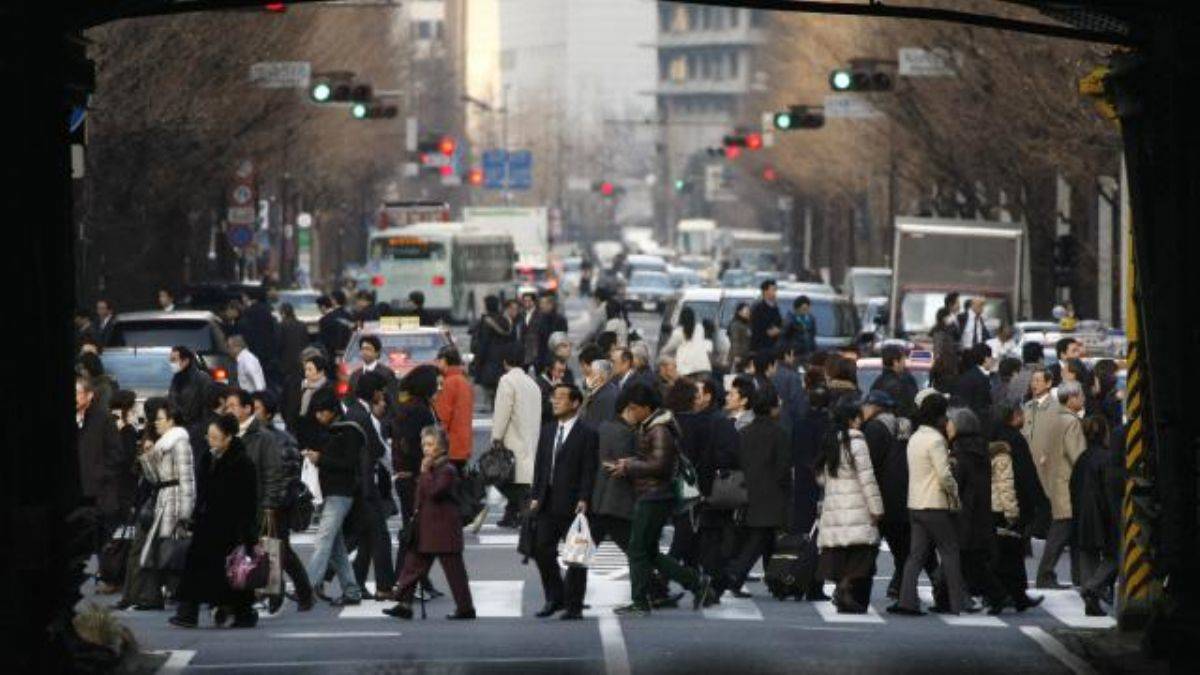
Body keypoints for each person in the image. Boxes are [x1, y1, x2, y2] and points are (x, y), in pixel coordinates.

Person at [605, 382, 713, 615]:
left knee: (637, 550)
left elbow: (660, 464)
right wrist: (628, 464)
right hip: (653, 494)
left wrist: (628, 466)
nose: (631, 413)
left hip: (654, 496)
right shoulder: (652, 425)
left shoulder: (659, 429)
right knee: (649, 552)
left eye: (634, 408)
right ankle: (697, 583)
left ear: (646, 407)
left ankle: (640, 602)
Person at [169, 414, 259, 628]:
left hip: (230, 527)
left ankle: (242, 613)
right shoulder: (208, 458)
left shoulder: (242, 462)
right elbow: (202, 491)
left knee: (233, 574)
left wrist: (247, 533)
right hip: (206, 523)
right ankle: (187, 613)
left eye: (215, 437)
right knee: (196, 569)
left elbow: (248, 500)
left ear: (228, 437)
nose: (210, 440)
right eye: (209, 436)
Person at [382, 427, 478, 620]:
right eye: (424, 444)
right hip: (427, 529)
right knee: (412, 566)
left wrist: (425, 472)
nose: (426, 449)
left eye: (430, 444)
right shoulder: (433, 468)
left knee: (454, 572)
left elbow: (435, 492)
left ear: (441, 447)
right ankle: (405, 604)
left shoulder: (447, 470)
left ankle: (465, 608)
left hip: (443, 529)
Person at [889, 389, 969, 616]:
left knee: (916, 555)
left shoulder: (914, 438)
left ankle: (907, 600)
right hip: (935, 503)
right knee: (950, 551)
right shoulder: (936, 440)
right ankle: (956, 602)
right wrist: (954, 494)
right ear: (939, 415)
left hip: (915, 503)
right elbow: (943, 474)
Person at [712, 381, 791, 601]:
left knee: (764, 539)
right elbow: (783, 469)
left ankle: (775, 582)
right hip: (772, 495)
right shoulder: (780, 434)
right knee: (759, 539)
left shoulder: (744, 432)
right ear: (773, 407)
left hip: (747, 492)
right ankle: (736, 576)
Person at [529, 383, 598, 620]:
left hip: (572, 503)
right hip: (547, 501)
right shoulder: (547, 430)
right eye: (553, 397)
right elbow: (540, 466)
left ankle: (574, 605)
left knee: (576, 556)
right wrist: (535, 495)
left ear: (575, 403)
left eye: (560, 397)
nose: (554, 401)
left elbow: (590, 468)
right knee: (541, 550)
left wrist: (584, 497)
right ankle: (554, 596)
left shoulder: (587, 433)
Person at [816, 399, 884, 613]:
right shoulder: (857, 442)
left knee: (840, 554)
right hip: (857, 506)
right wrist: (876, 508)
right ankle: (845, 587)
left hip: (835, 507)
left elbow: (821, 478)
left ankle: (841, 587)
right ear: (852, 420)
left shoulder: (830, 441)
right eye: (858, 418)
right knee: (863, 555)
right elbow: (867, 478)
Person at [250, 390, 314, 611]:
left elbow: (287, 473)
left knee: (280, 550)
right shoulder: (257, 436)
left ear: (268, 413)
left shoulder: (279, 439)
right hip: (266, 500)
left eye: (256, 408)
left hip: (279, 502)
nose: (252, 412)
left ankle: (299, 593)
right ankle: (278, 593)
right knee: (272, 549)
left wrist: (274, 501)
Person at [302, 388, 366, 606]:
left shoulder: (350, 431)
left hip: (342, 492)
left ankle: (307, 586)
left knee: (323, 539)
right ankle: (352, 591)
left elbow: (349, 464)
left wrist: (321, 458)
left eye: (322, 412)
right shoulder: (329, 430)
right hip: (328, 492)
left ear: (333, 411)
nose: (319, 417)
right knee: (336, 547)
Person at [860, 390, 927, 599]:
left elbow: (869, 464)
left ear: (875, 407)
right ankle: (900, 586)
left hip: (880, 496)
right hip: (903, 494)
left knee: (868, 548)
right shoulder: (907, 428)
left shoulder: (874, 428)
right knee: (903, 548)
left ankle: (857, 590)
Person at [341, 372, 397, 600]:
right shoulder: (362, 415)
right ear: (374, 392)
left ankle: (357, 583)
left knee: (365, 537)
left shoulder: (354, 410)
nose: (383, 394)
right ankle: (383, 587)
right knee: (380, 536)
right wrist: (396, 470)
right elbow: (378, 449)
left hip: (358, 483)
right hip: (364, 484)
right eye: (381, 390)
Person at [945, 407, 1007, 613]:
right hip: (979, 513)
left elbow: (957, 484)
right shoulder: (980, 449)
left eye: (951, 423)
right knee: (973, 562)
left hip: (965, 514)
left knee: (968, 562)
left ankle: (994, 595)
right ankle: (990, 596)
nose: (947, 426)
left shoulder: (959, 452)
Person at [390, 365, 442, 599]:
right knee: (415, 532)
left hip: (411, 476)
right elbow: (412, 445)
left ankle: (418, 580)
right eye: (436, 383)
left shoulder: (417, 407)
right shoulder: (417, 410)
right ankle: (404, 581)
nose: (439, 387)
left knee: (418, 530)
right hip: (414, 477)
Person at [990, 401, 1047, 611]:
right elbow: (1025, 474)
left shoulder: (994, 436)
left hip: (994, 504)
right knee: (1013, 551)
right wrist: (1039, 500)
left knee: (1001, 551)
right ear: (1014, 416)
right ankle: (1015, 595)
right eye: (1021, 413)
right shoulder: (1015, 440)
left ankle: (1006, 594)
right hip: (1012, 501)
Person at [1035, 381, 1088, 589]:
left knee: (1071, 532)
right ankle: (1045, 575)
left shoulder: (1053, 420)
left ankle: (1079, 576)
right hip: (1069, 484)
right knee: (1061, 532)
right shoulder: (1072, 423)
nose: (1083, 399)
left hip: (1055, 481)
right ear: (1072, 398)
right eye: (1081, 396)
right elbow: (1078, 456)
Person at [1071, 415, 1121, 617]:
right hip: (1101, 512)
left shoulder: (1081, 458)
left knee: (1087, 555)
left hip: (1081, 512)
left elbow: (1072, 486)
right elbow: (1109, 490)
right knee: (1116, 555)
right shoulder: (1106, 458)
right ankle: (1092, 588)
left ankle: (1090, 600)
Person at [491, 344, 543, 528]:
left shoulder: (507, 381)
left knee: (507, 480)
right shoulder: (533, 383)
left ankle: (523, 513)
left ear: (505, 362)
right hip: (530, 437)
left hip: (513, 436)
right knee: (519, 478)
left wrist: (496, 437)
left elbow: (503, 411)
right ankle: (511, 513)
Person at [433, 346, 474, 469]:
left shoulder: (448, 383)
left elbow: (442, 416)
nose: (437, 363)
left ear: (445, 361)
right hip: (464, 443)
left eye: (439, 360)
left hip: (450, 446)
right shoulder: (464, 381)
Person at [236, 290, 280, 389]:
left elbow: (246, 331)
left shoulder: (248, 312)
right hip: (268, 354)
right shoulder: (267, 311)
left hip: (253, 351)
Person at [474, 295, 514, 400]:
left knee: (490, 394)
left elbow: (483, 343)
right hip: (504, 360)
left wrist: (477, 362)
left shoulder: (486, 322)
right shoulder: (506, 321)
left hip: (489, 361)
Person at [661, 307, 713, 379]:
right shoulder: (700, 328)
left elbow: (666, 350)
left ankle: (669, 384)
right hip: (700, 367)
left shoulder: (678, 333)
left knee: (662, 358)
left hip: (685, 370)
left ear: (681, 319)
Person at [168, 346, 213, 426]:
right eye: (170, 360)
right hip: (179, 427)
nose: (171, 363)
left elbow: (207, 407)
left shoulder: (202, 379)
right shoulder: (176, 379)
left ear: (186, 361)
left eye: (174, 360)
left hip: (197, 427)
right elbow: (172, 402)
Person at [872, 344, 919, 420]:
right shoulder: (905, 383)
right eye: (903, 360)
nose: (904, 363)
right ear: (895, 362)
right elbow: (912, 409)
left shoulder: (877, 383)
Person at [953, 343, 994, 420]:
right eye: (991, 357)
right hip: (976, 421)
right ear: (986, 358)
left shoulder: (967, 375)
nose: (992, 360)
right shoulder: (981, 379)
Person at [534, 293, 569, 371]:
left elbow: (561, 341)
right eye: (540, 303)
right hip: (541, 361)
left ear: (551, 305)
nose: (541, 306)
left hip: (555, 361)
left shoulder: (560, 320)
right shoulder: (540, 319)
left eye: (544, 303)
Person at [581, 359, 619, 426]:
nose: (586, 376)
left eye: (590, 373)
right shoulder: (594, 391)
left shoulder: (609, 395)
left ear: (601, 376)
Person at [749, 279, 783, 355]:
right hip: (760, 348)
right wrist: (767, 332)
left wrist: (778, 329)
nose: (775, 292)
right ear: (765, 291)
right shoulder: (757, 308)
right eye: (773, 290)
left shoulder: (775, 307)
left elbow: (780, 323)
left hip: (773, 347)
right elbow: (755, 328)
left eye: (775, 290)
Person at [317, 292, 354, 360]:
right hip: (349, 352)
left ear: (334, 301)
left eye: (330, 299)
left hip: (332, 354)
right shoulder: (350, 316)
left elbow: (323, 341)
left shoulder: (326, 319)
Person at [781, 295, 818, 361]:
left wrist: (814, 351)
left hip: (808, 354)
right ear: (797, 309)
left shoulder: (811, 319)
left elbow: (812, 337)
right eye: (804, 309)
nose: (806, 311)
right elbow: (783, 339)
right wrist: (786, 354)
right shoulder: (790, 320)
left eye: (808, 308)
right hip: (795, 355)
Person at [728, 303, 752, 371]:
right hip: (738, 357)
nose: (748, 313)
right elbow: (735, 341)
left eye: (749, 311)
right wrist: (736, 356)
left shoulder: (746, 324)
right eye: (746, 311)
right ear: (739, 312)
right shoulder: (736, 324)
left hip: (745, 356)